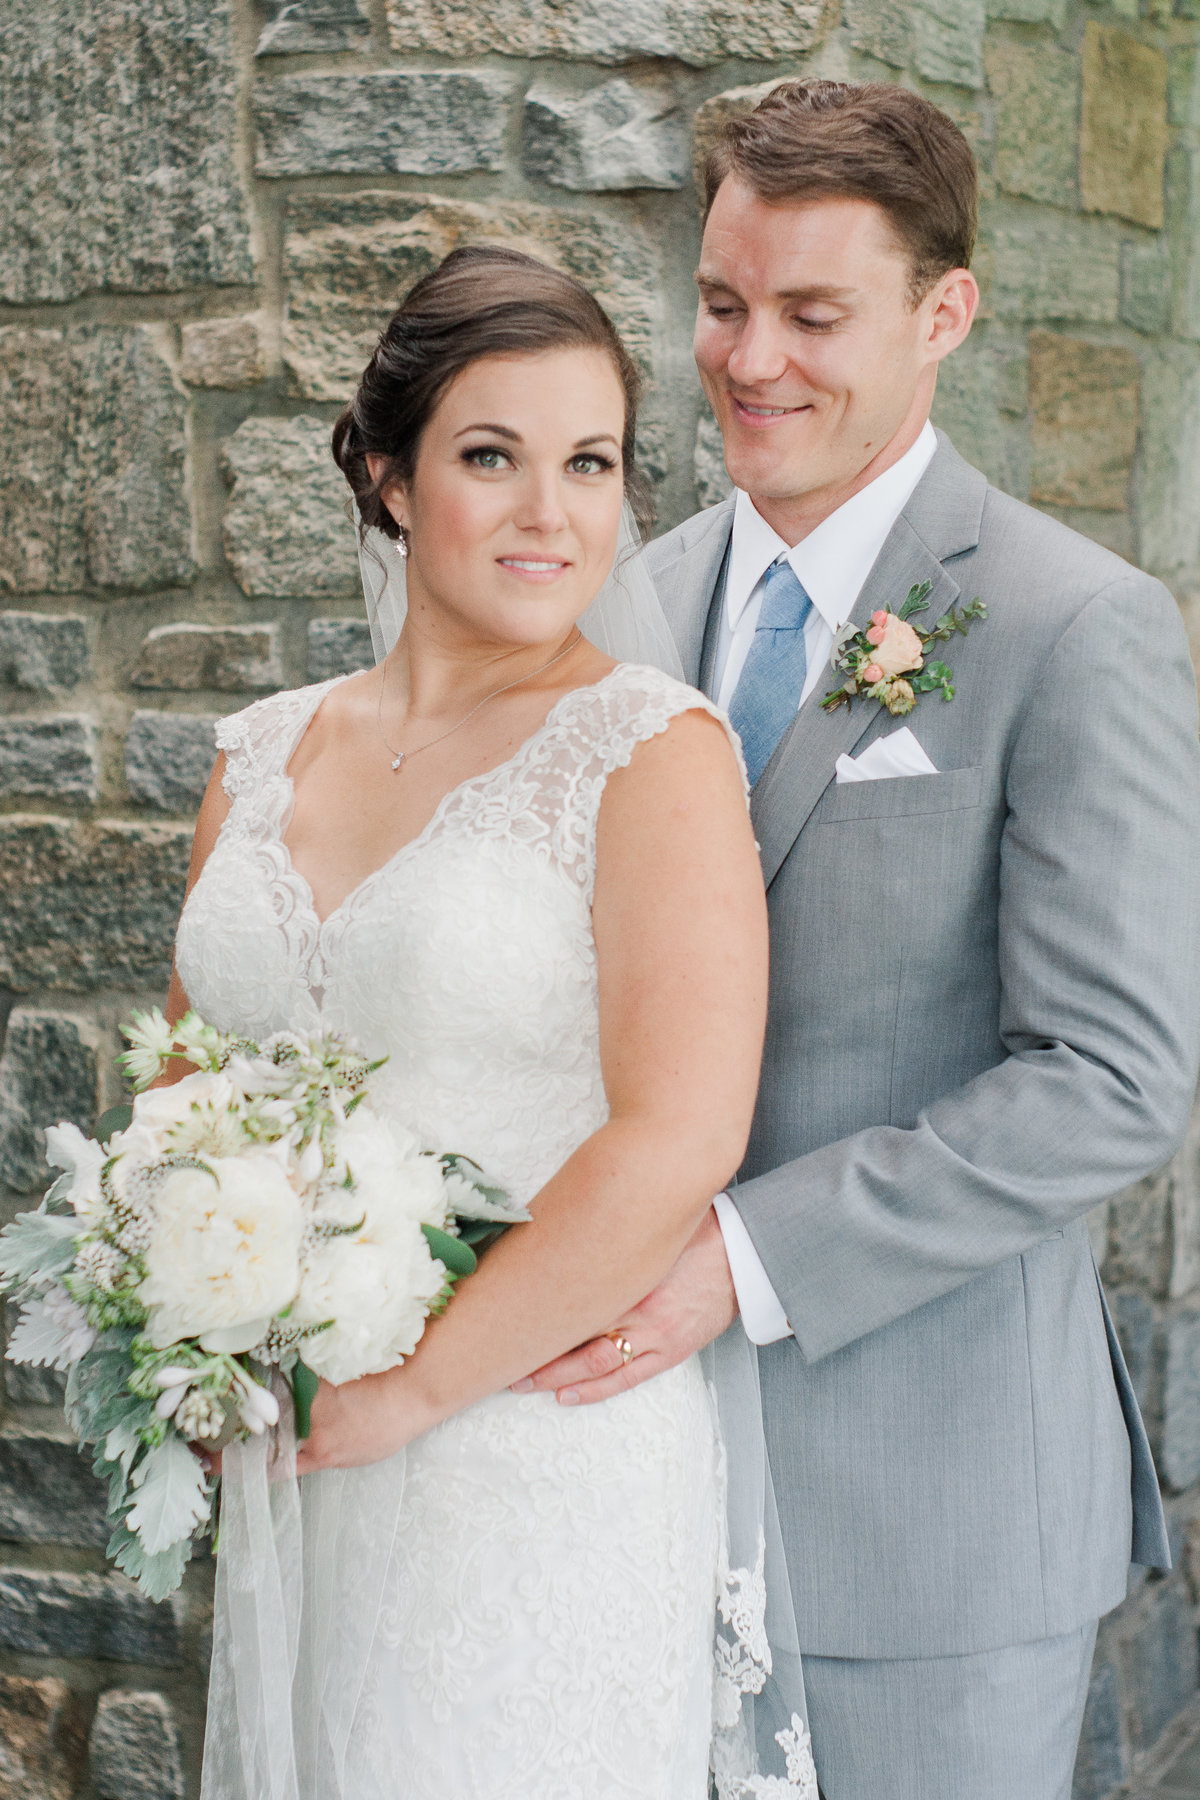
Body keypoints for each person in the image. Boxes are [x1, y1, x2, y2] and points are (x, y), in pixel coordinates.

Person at [522, 80, 1200, 1799]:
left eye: (814, 314)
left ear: (942, 315)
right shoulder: (624, 601)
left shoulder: (1073, 626)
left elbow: (1112, 1081)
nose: (752, 361)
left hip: (934, 1530)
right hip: (625, 1498)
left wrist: (739, 1268)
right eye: (724, 304)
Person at [167, 246, 813, 1799]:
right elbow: (184, 1080)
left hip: (529, 1448)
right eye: (490, 457)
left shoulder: (648, 750)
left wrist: (407, 1394)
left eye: (589, 463)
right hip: (298, 1450)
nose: (552, 514)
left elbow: (677, 1137)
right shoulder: (260, 752)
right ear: (390, 480)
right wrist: (187, 1327)